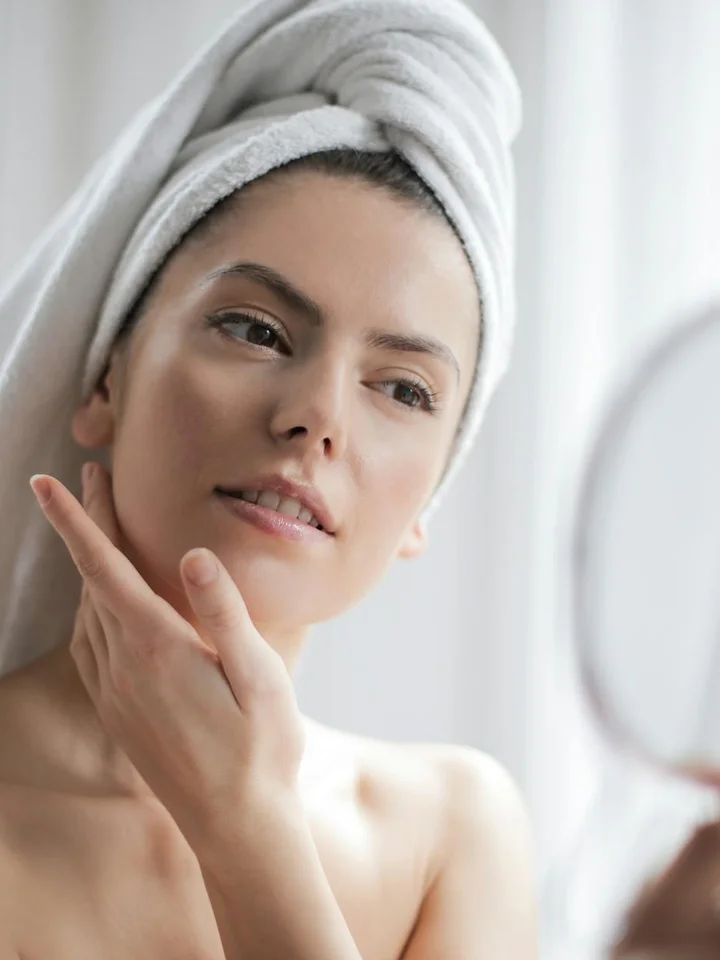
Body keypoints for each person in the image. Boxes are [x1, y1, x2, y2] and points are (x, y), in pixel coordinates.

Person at [0, 2, 536, 958]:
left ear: (429, 502)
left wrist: (246, 830)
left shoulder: (452, 839)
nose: (318, 417)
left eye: (404, 388)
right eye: (254, 328)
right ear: (104, 380)